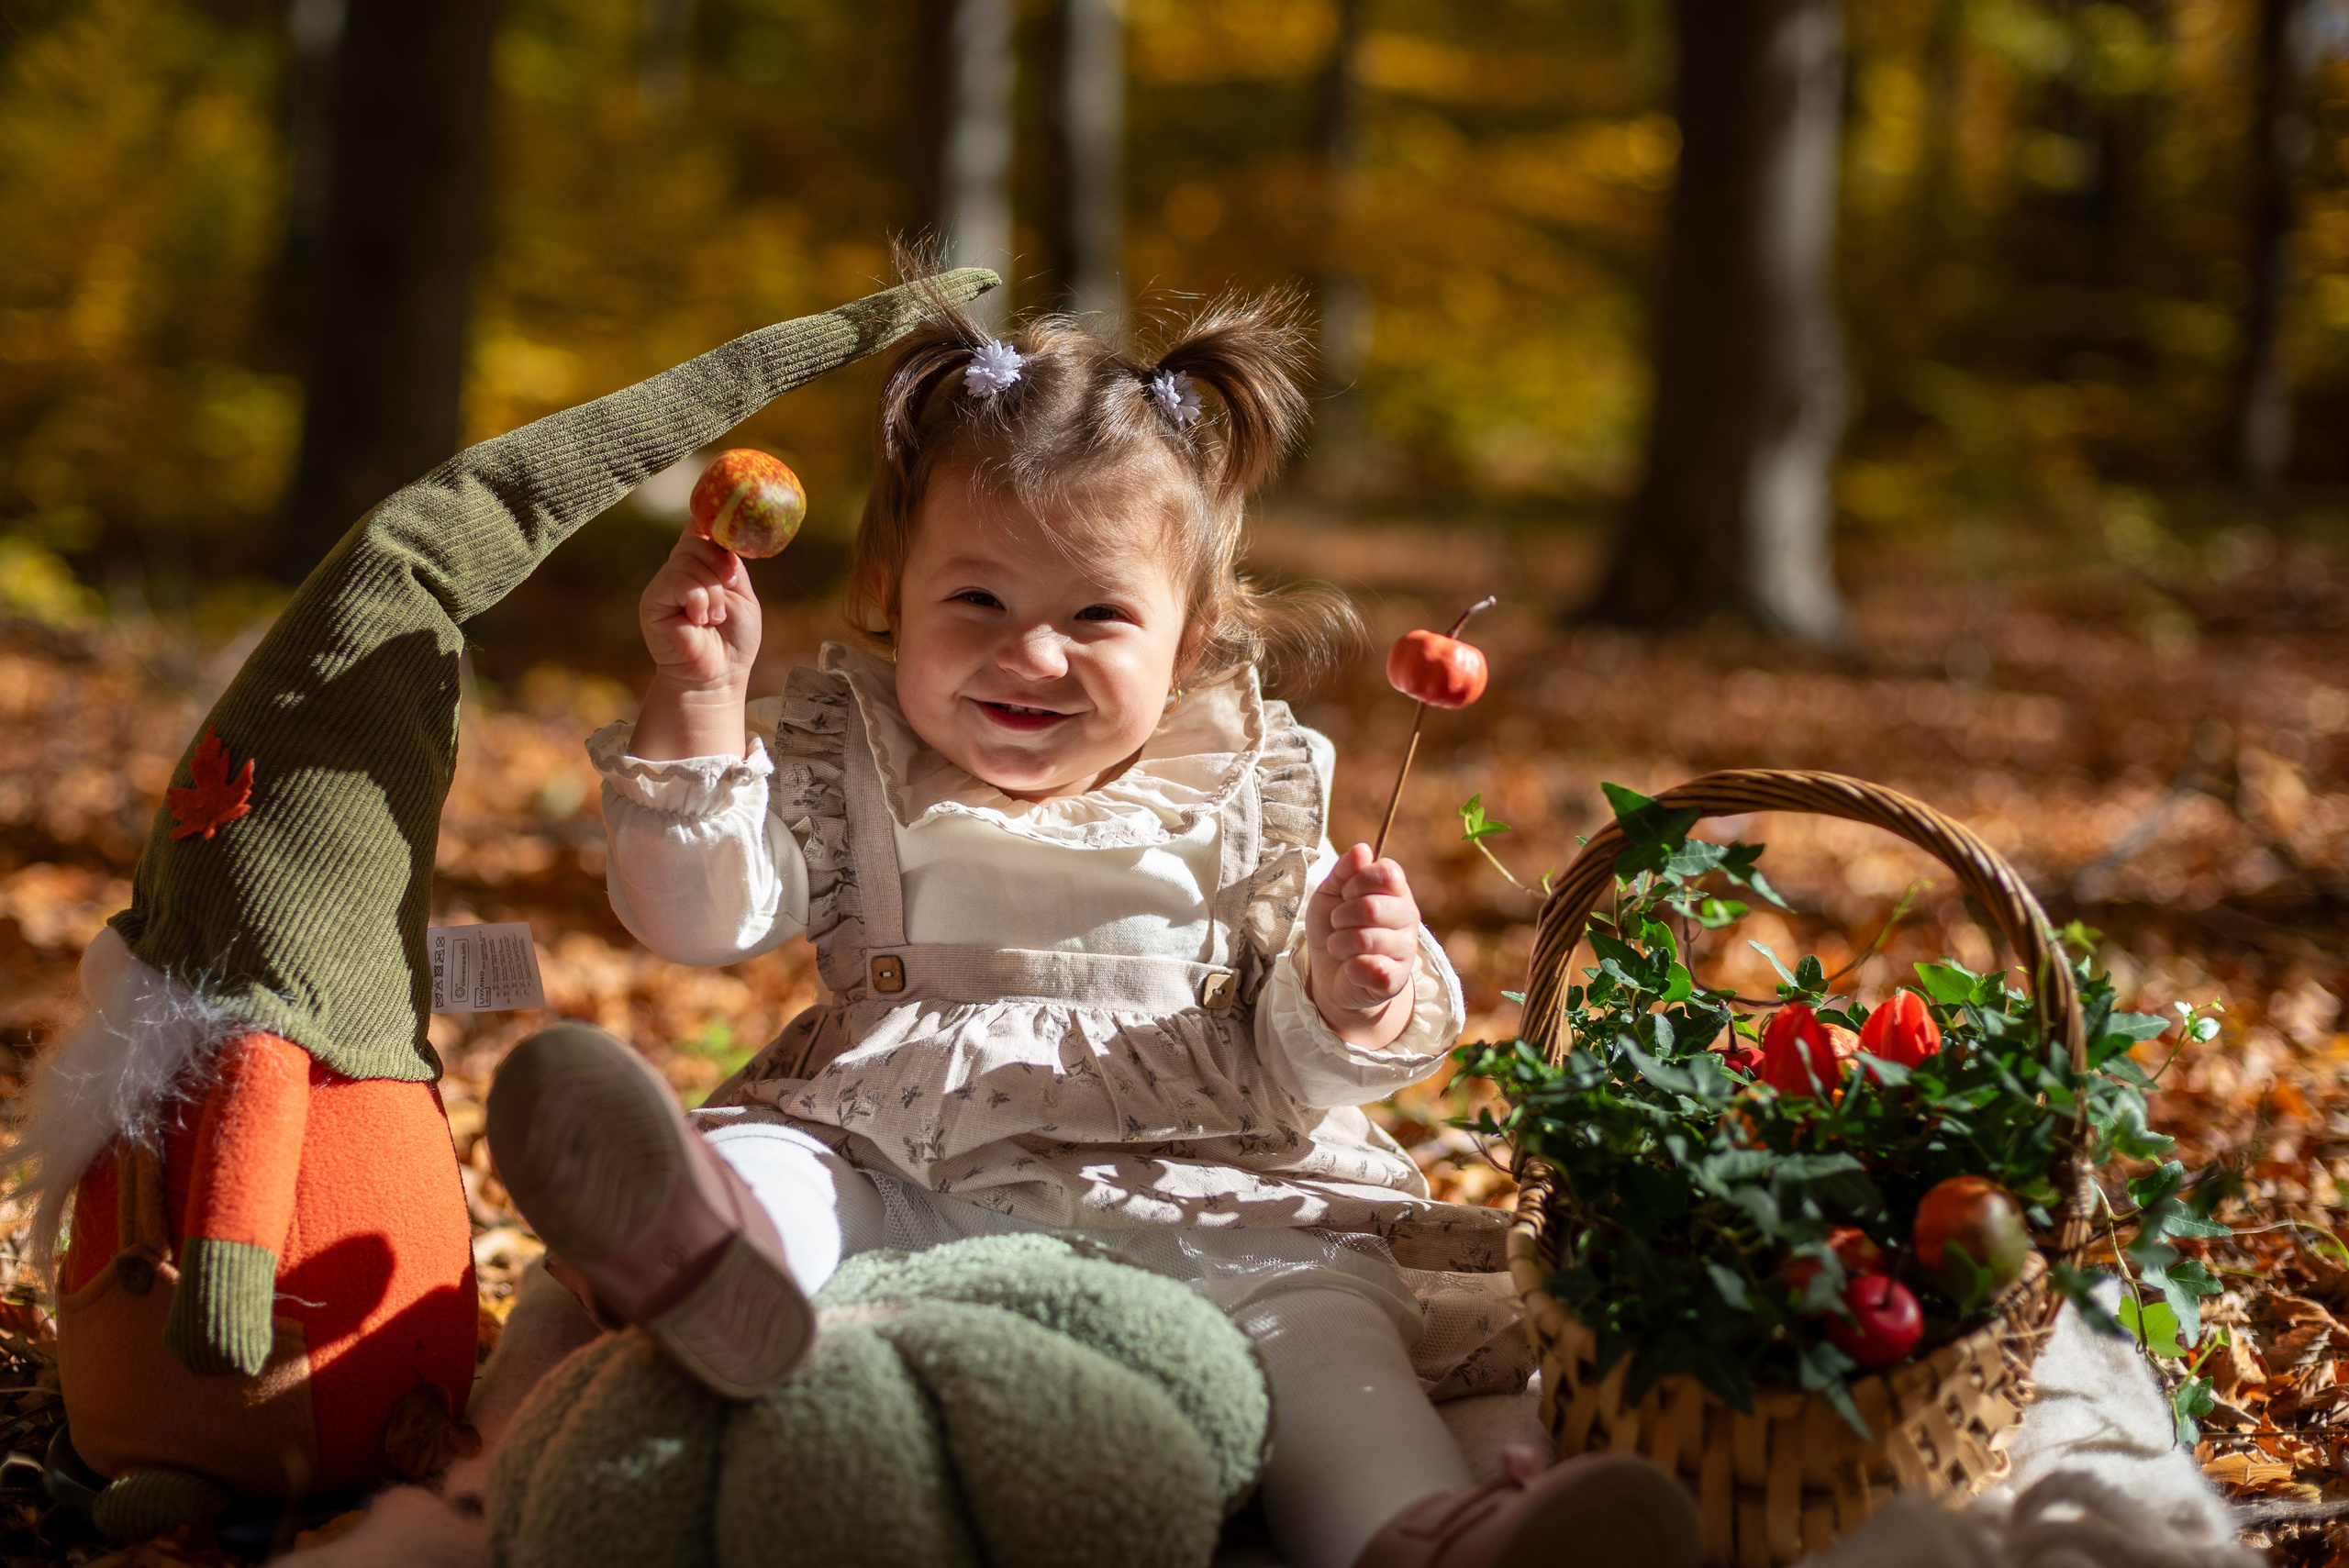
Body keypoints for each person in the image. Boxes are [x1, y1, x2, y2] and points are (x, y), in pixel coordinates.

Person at [485, 284, 1698, 1568]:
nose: (1035, 657)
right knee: (787, 1167)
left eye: (1097, 615)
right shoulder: (856, 763)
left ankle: (1421, 1533)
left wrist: (1354, 992)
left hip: (1200, 1175)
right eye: (979, 604)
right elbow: (696, 916)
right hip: (903, 1148)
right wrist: (702, 697)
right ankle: (709, 1265)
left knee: (1324, 1321)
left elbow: (1299, 1063)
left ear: (1191, 642)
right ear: (893, 590)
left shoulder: (1245, 787)